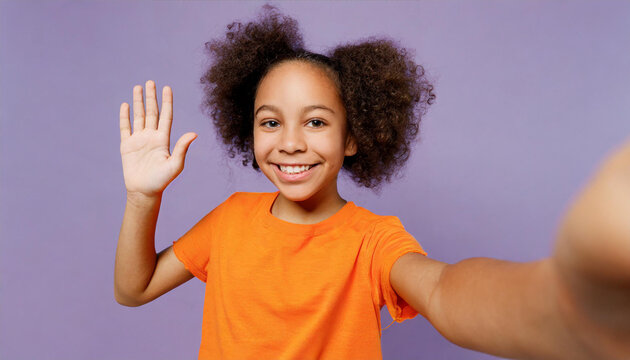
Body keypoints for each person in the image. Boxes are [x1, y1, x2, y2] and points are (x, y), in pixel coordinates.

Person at [114, 5, 630, 359]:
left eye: (315, 122)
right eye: (270, 122)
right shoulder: (229, 219)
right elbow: (133, 290)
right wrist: (143, 197)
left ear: (353, 138)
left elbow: (445, 290)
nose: (290, 142)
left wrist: (560, 305)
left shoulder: (372, 240)